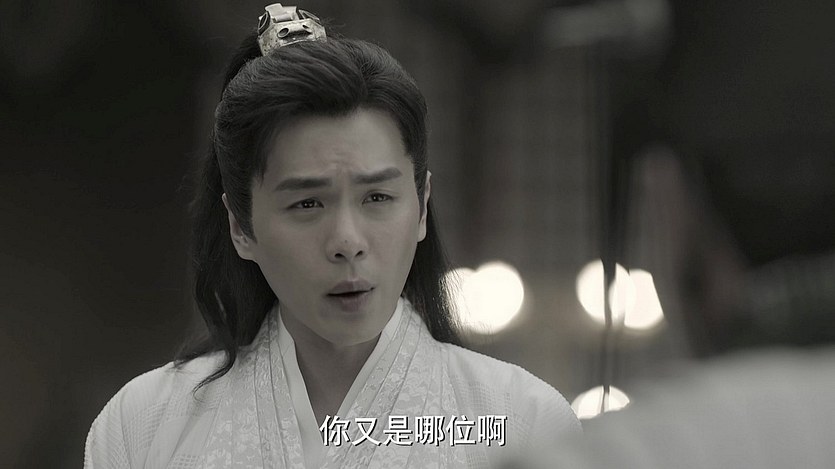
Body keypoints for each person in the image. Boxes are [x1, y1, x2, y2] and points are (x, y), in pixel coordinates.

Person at [83, 4, 580, 468]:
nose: (347, 241)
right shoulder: (145, 426)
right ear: (240, 226)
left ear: (421, 207)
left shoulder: (521, 421)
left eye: (377, 197)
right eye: (307, 204)